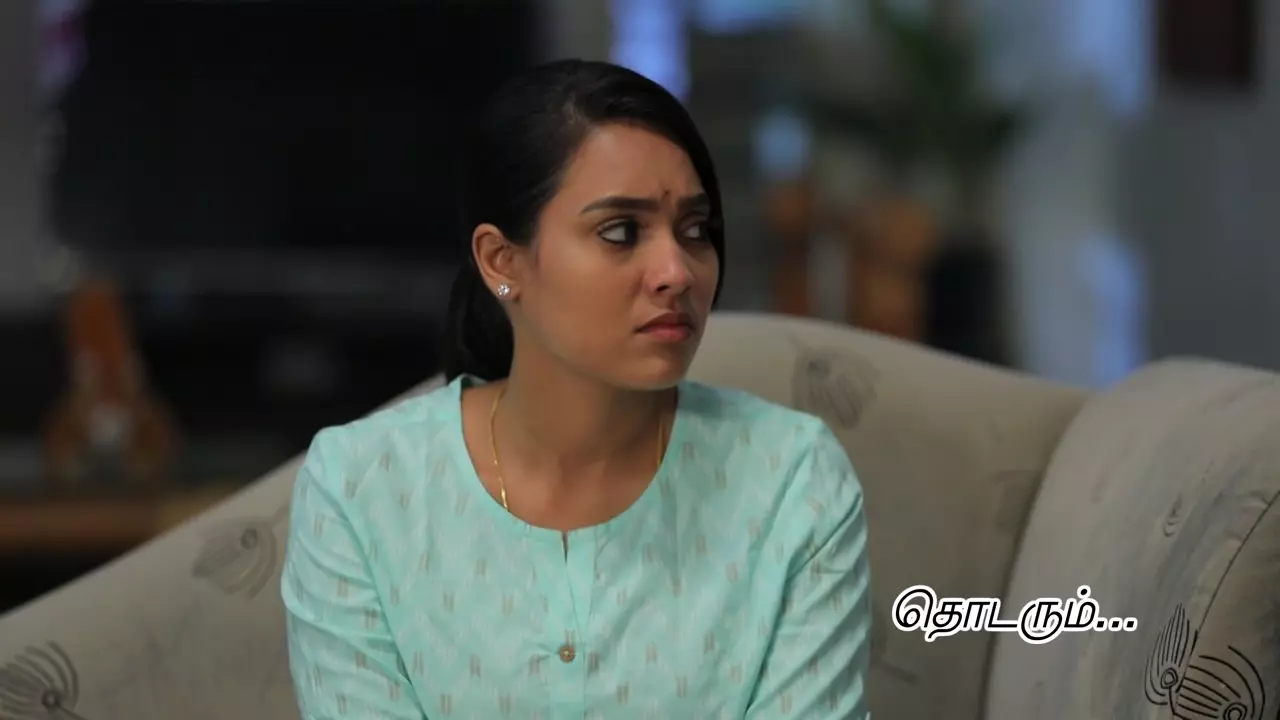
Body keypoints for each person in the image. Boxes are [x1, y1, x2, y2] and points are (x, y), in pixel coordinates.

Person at [281, 58, 872, 719]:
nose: (677, 271)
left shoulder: (792, 480)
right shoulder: (361, 488)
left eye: (695, 230)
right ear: (502, 262)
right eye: (621, 232)